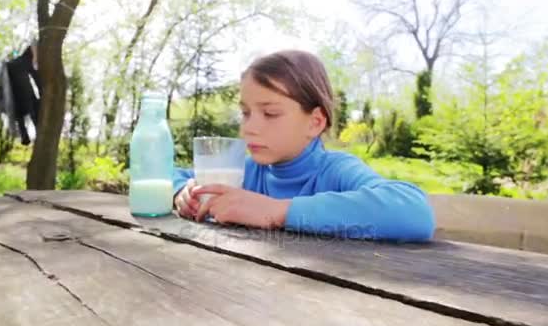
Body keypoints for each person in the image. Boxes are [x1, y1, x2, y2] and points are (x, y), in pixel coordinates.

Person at [172, 50, 435, 242]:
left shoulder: (335, 170)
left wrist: (276, 211)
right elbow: (171, 175)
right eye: (245, 113)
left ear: (315, 122)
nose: (249, 128)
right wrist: (183, 192)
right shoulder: (246, 169)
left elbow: (415, 213)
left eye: (271, 114)